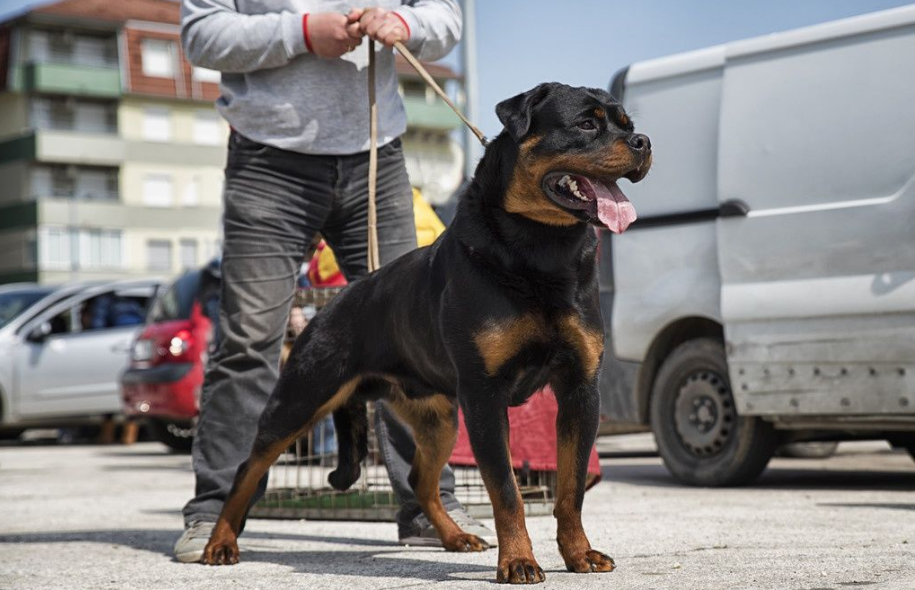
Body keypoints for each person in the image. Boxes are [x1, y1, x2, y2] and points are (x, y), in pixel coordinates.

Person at [174, 0, 494, 562]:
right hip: (267, 161)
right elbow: (201, 35)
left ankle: (426, 510)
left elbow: (444, 18)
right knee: (248, 343)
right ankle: (214, 513)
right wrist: (300, 32)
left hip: (377, 151)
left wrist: (407, 24)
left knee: (419, 336)